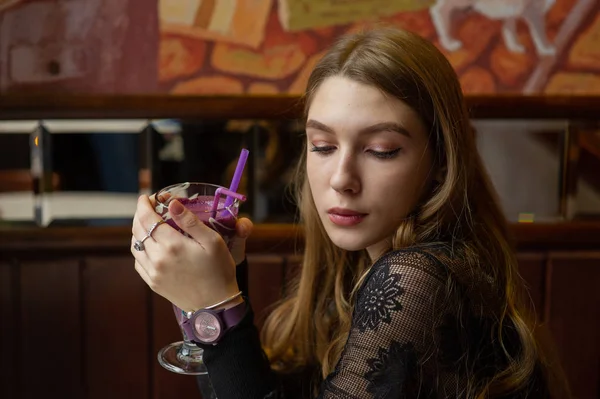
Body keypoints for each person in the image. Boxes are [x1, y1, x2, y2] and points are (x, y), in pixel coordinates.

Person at [131, 27, 570, 398]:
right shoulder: (354, 266)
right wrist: (216, 288)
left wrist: (215, 306)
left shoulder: (420, 277)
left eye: (381, 150)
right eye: (322, 146)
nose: (341, 177)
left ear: (440, 161)